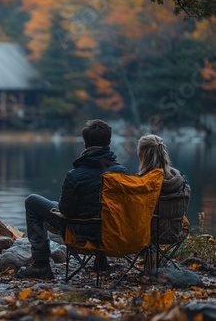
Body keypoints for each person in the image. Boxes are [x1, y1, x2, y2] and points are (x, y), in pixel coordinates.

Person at [17, 119, 128, 279]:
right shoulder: (121, 172)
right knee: (99, 211)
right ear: (109, 142)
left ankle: (41, 265)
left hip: (83, 233)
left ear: (85, 144)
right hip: (114, 233)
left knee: (33, 201)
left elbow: (66, 212)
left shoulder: (75, 175)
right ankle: (101, 262)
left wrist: (58, 207)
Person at [137, 134, 190, 245]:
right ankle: (151, 259)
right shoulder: (182, 183)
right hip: (175, 233)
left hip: (147, 235)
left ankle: (148, 258)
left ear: (141, 154)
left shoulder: (140, 184)